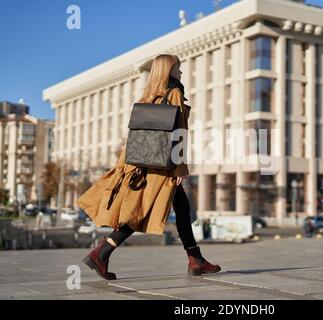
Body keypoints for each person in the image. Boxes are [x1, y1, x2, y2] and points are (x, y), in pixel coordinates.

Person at [76, 54, 221, 280]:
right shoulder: (173, 93)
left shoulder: (149, 95)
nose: (181, 72)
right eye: (178, 68)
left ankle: (196, 260)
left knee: (178, 209)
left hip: (146, 163)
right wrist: (180, 169)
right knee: (141, 211)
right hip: (165, 166)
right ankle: (101, 253)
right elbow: (179, 133)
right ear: (168, 70)